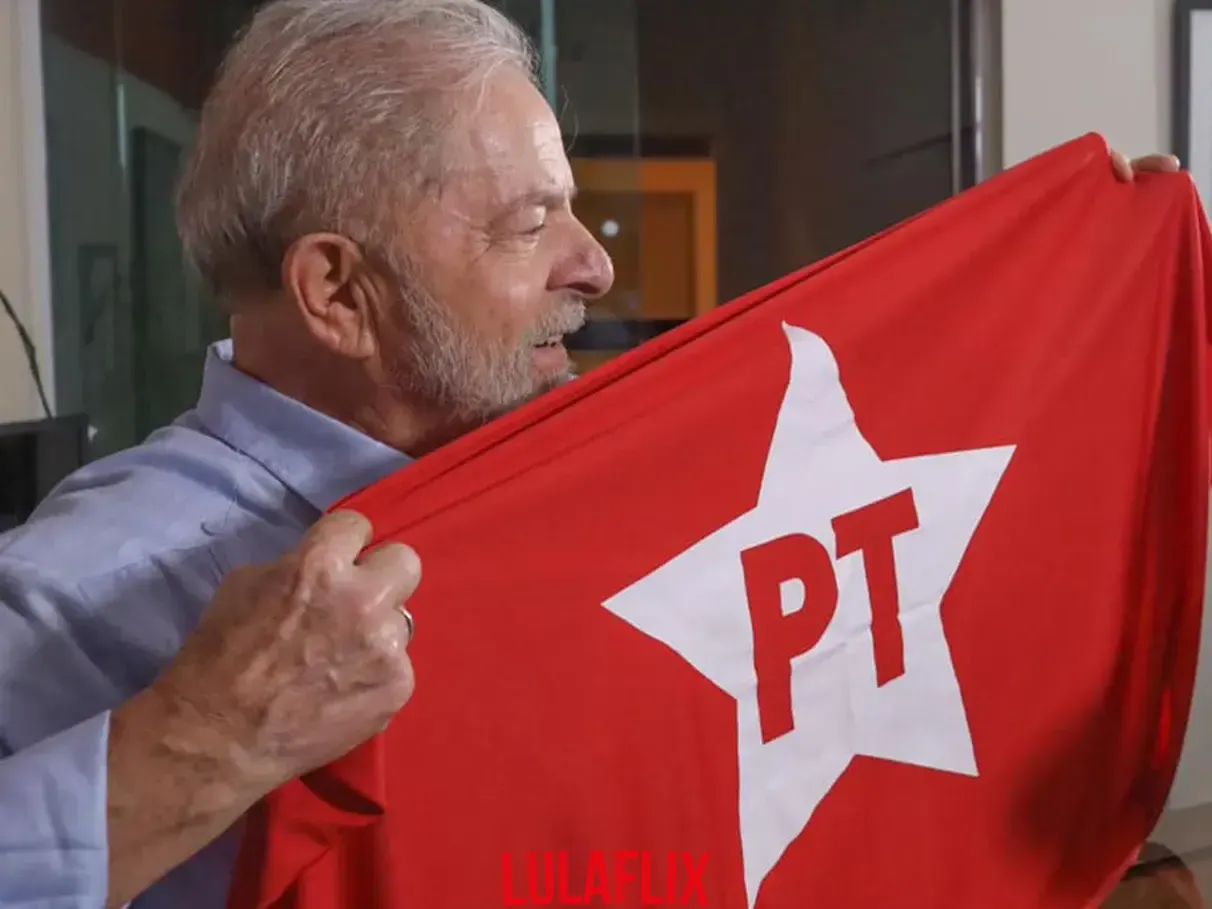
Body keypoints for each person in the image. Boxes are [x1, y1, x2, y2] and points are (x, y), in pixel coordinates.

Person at [0, 0, 1179, 906]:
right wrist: (206, 744)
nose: (596, 265)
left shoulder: (598, 470)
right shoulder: (80, 594)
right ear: (340, 294)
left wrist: (1092, 276)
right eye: (530, 225)